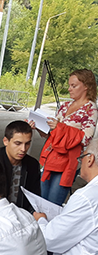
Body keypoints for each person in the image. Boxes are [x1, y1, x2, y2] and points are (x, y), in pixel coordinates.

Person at [34, 138, 98, 255]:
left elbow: (50, 240)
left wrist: (41, 220)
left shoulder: (86, 197)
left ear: (90, 159)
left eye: (82, 157)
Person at [37, 69, 98, 205]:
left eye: (73, 86)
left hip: (67, 162)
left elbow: (85, 139)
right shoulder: (65, 106)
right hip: (51, 158)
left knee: (52, 204)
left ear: (86, 86)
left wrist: (60, 127)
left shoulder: (90, 109)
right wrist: (40, 127)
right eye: (69, 85)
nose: (69, 89)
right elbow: (54, 134)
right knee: (40, 200)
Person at [0, 120, 40, 211]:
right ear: (5, 141)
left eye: (27, 143)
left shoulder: (32, 165)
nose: (23, 149)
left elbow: (34, 198)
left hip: (22, 215)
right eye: (18, 143)